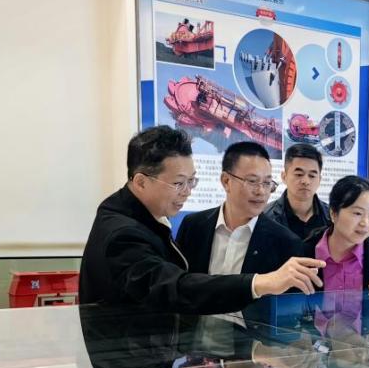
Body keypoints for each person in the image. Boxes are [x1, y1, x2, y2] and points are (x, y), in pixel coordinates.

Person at [79, 126, 322, 312]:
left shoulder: (144, 216)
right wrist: (259, 283)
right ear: (141, 181)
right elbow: (175, 287)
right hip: (131, 357)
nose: (187, 191)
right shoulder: (123, 232)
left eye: (191, 181)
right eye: (179, 183)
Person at [175, 141, 305, 278]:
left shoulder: (286, 242)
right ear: (226, 181)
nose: (261, 191)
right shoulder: (193, 226)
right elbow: (178, 282)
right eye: (252, 181)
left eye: (267, 183)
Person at [262, 143, 331, 238]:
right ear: (284, 177)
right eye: (299, 174)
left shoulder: (332, 217)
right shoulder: (266, 217)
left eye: (312, 176)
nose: (306, 181)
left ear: (319, 180)